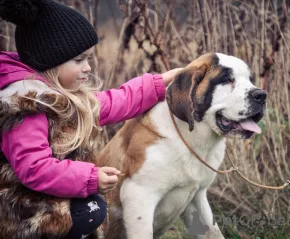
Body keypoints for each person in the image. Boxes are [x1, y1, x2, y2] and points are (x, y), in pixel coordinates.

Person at [0, 0, 181, 238]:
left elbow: (111, 102)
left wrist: (158, 83)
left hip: (43, 192)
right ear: (49, 60)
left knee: (92, 208)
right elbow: (34, 168)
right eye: (79, 60)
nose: (88, 67)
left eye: (88, 58)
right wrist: (89, 177)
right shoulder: (28, 108)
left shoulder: (60, 97)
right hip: (20, 208)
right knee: (89, 211)